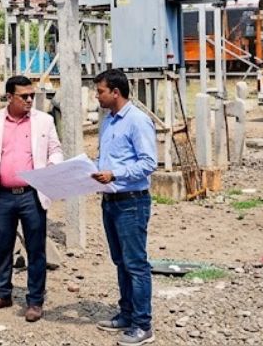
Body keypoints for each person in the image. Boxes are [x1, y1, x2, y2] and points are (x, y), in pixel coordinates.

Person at [0, 74, 63, 322]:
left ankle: (35, 301)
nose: (30, 100)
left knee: (35, 249)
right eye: (24, 96)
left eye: (32, 95)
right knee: (3, 246)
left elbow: (55, 150)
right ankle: (2, 293)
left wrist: (53, 166)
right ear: (9, 97)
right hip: (3, 195)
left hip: (32, 195)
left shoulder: (44, 121)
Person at [90, 69, 158, 345]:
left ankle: (143, 325)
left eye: (100, 92)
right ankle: (127, 313)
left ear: (115, 92)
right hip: (111, 201)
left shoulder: (137, 121)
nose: (97, 97)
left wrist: (115, 175)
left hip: (131, 202)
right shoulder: (108, 121)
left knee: (136, 264)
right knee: (120, 262)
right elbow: (106, 160)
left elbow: (148, 162)